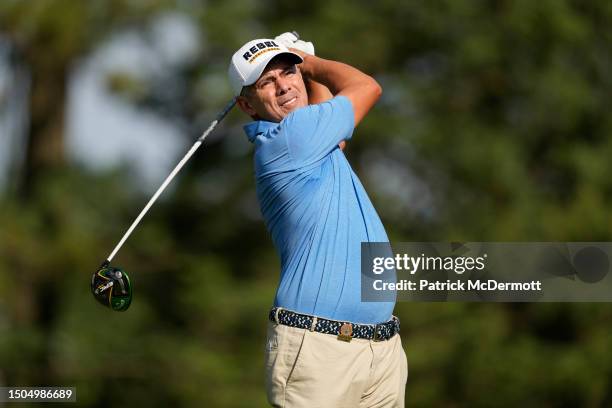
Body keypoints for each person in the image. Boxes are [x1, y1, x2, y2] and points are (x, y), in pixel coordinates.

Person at [228, 33, 408, 407]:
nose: (283, 86)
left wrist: (306, 73)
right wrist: (309, 62)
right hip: (319, 350)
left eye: (286, 72)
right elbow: (367, 87)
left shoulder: (307, 139)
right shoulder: (291, 138)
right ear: (247, 105)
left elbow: (336, 136)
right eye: (266, 82)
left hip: (380, 347)